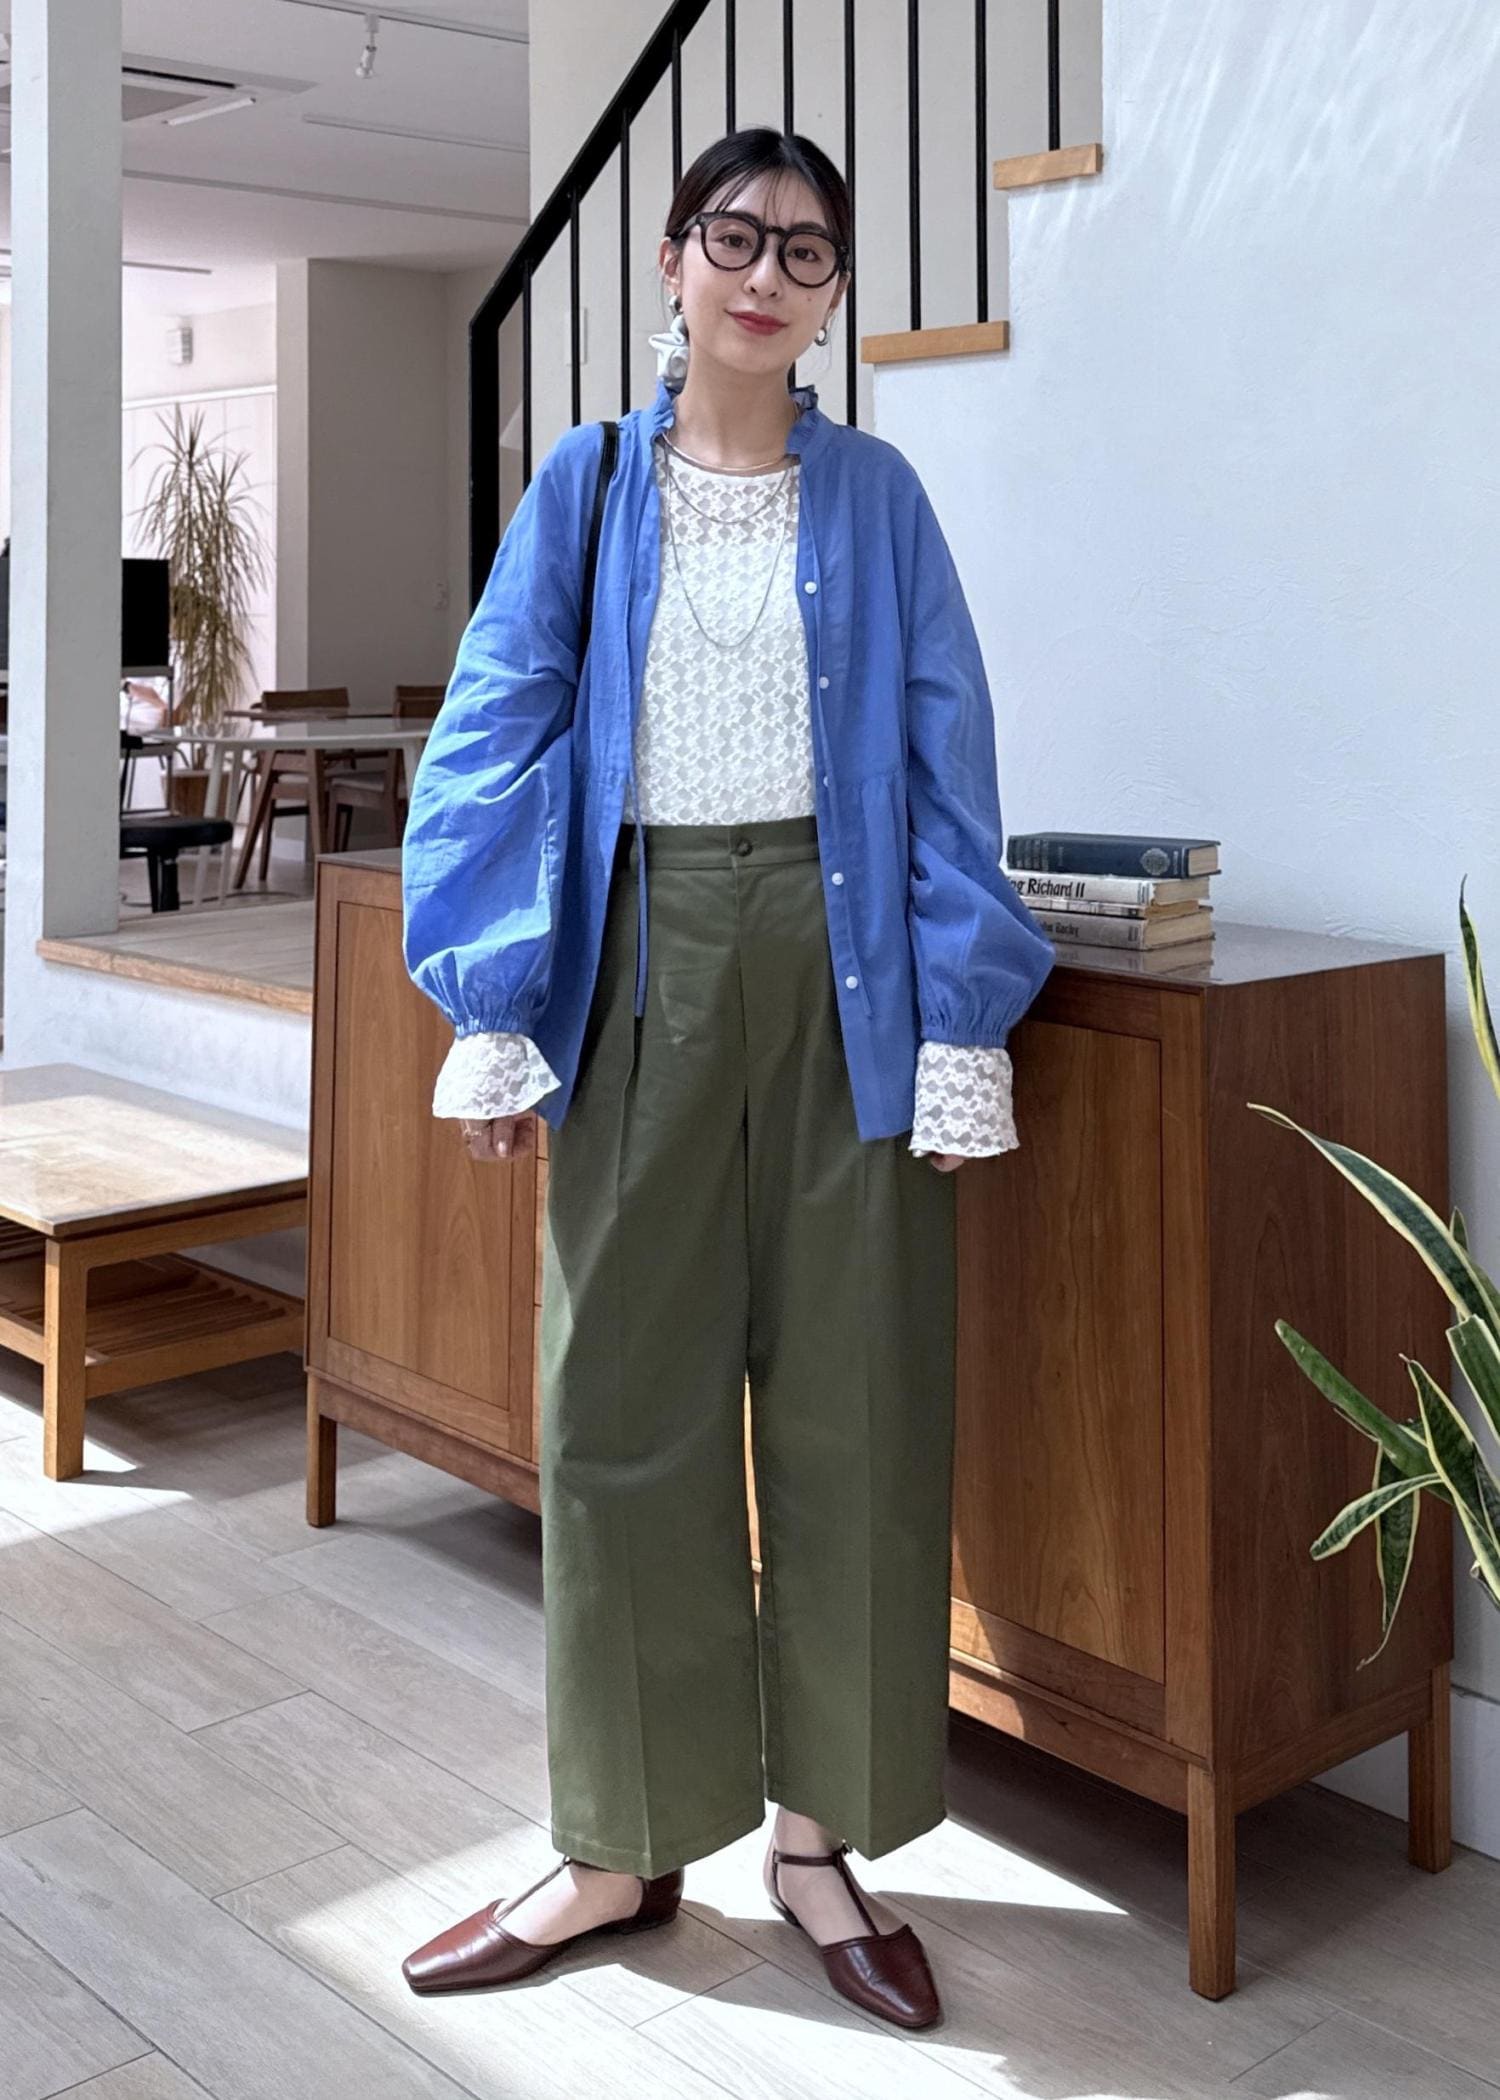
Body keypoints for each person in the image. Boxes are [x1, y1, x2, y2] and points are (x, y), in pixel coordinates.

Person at [398, 126, 1056, 2031]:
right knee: (617, 1394)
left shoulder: (879, 498)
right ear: (674, 263)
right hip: (641, 959)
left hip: (853, 973)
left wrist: (960, 1021)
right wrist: (493, 994)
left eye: (809, 251)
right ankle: (617, 1845)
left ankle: (818, 1845)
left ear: (832, 297)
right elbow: (491, 735)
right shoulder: (591, 487)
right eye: (737, 238)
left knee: (857, 1399)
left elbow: (948, 759)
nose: (769, 275)